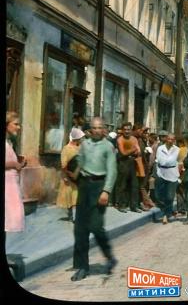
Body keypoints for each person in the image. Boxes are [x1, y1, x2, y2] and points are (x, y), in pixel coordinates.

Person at [71, 117, 117, 281]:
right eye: (94, 128)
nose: (97, 130)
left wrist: (106, 191)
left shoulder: (108, 147)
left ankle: (109, 256)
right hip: (84, 186)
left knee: (96, 227)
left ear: (104, 129)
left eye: (100, 128)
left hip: (99, 187)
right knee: (80, 228)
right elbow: (80, 162)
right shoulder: (84, 144)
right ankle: (82, 266)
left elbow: (112, 171)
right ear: (90, 129)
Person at [56, 128, 84, 221]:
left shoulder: (80, 147)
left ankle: (76, 216)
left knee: (76, 196)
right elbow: (64, 163)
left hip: (78, 176)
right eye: (81, 138)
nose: (82, 140)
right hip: (69, 175)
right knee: (69, 196)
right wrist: (66, 175)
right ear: (76, 138)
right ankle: (71, 215)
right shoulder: (66, 148)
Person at [5, 112, 26, 232]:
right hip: (7, 184)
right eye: (16, 124)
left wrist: (18, 163)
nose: (18, 127)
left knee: (8, 221)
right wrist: (14, 164)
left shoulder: (10, 142)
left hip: (11, 184)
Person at [114, 122, 141, 213]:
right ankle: (121, 205)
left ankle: (134, 206)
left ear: (131, 130)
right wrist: (133, 150)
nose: (127, 131)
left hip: (133, 162)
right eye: (125, 129)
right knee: (122, 185)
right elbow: (123, 153)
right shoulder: (120, 139)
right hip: (123, 163)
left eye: (128, 129)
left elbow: (138, 152)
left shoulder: (134, 139)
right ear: (122, 130)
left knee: (134, 185)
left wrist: (134, 151)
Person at [155, 133, 180, 224]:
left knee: (169, 196)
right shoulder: (160, 148)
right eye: (169, 139)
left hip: (172, 174)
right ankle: (170, 210)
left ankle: (166, 214)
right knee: (158, 196)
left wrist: (167, 162)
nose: (170, 141)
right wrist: (168, 162)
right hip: (161, 173)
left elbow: (176, 161)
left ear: (174, 140)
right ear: (166, 139)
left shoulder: (177, 149)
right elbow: (160, 160)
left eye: (172, 139)